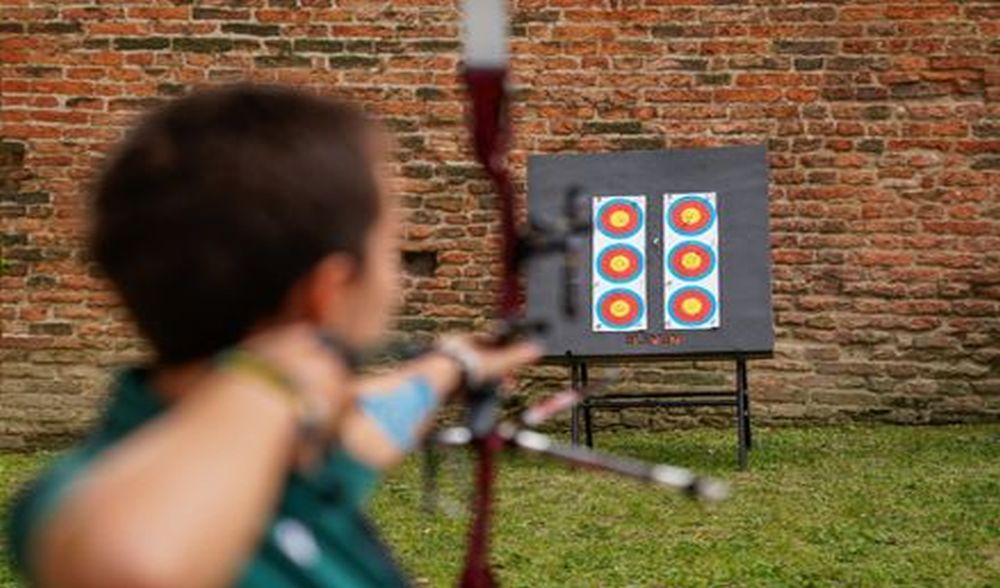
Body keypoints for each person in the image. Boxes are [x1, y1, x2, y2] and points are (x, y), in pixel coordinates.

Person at [6, 84, 540, 588]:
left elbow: (367, 424)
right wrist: (277, 371)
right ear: (327, 291)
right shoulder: (87, 501)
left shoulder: (285, 440)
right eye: (390, 249)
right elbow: (124, 563)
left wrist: (453, 364)